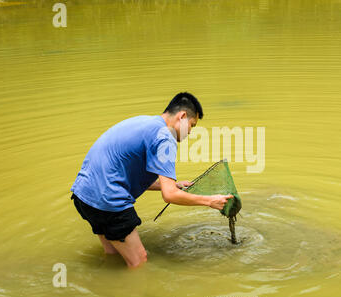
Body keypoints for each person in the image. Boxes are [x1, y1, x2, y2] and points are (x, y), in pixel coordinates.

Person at [70, 92, 233, 269]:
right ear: (182, 116)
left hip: (84, 196)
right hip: (108, 202)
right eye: (192, 125)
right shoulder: (165, 138)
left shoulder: (145, 122)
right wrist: (210, 201)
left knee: (114, 255)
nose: (191, 132)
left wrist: (174, 185)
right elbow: (169, 195)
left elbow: (123, 173)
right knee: (139, 261)